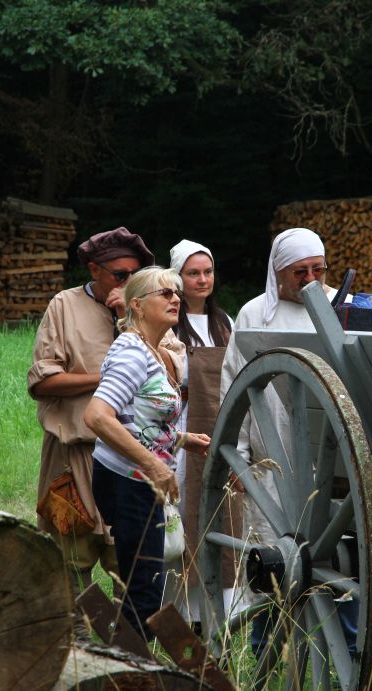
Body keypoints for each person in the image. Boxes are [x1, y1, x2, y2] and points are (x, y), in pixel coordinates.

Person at [220, 227, 359, 665]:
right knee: (272, 557)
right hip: (273, 459)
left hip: (333, 455)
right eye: (300, 271)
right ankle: (265, 650)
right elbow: (235, 384)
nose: (311, 279)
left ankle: (347, 651)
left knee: (342, 556)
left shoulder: (346, 307)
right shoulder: (254, 314)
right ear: (277, 272)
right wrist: (238, 457)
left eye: (319, 269)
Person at [28, 226, 154, 637]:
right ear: (94, 270)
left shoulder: (145, 309)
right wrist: (109, 379)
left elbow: (167, 376)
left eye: (135, 275)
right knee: (72, 560)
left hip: (128, 456)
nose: (127, 282)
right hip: (74, 455)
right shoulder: (64, 305)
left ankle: (129, 649)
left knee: (128, 562)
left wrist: (127, 318)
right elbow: (43, 382)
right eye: (120, 275)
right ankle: (80, 646)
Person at [83, 267, 211, 639]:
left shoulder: (150, 351)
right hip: (129, 482)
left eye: (176, 292)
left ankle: (121, 658)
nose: (176, 298)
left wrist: (180, 439)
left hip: (135, 479)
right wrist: (153, 465)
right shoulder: (132, 353)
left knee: (142, 587)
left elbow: (136, 418)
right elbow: (97, 416)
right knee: (144, 593)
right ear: (137, 305)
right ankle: (129, 665)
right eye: (165, 293)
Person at [163, 240, 236, 628]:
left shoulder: (226, 323)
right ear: (178, 278)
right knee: (182, 520)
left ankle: (217, 614)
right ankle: (181, 615)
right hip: (181, 432)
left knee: (220, 518)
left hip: (220, 430)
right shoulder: (169, 325)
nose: (202, 280)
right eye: (193, 273)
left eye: (207, 272)